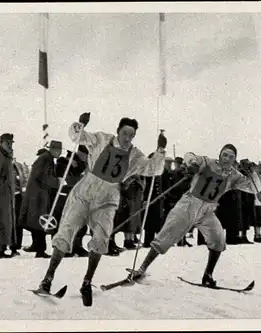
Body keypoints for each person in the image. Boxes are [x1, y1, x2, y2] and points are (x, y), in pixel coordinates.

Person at [36, 113, 167, 307]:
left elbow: (153, 169)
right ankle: (47, 278)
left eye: (131, 135)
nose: (127, 138)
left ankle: (87, 281)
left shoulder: (134, 154)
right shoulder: (101, 139)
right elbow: (77, 137)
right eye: (124, 133)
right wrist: (80, 123)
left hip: (108, 198)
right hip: (85, 192)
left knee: (101, 237)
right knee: (66, 231)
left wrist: (161, 150)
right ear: (118, 131)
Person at [128, 144, 255, 289]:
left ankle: (208, 275)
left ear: (234, 159)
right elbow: (189, 155)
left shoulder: (234, 175)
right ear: (220, 155)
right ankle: (142, 269)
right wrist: (193, 165)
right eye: (225, 155)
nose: (227, 159)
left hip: (207, 210)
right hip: (189, 204)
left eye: (231, 157)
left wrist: (251, 172)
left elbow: (254, 188)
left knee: (218, 240)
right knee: (166, 236)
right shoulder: (208, 162)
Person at [18, 141, 65, 258]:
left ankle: (37, 246)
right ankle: (39, 249)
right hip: (38, 196)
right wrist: (57, 181)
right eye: (59, 150)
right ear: (54, 150)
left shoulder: (46, 158)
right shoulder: (45, 159)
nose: (60, 153)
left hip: (37, 195)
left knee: (37, 221)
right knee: (40, 222)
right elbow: (43, 177)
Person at [52, 147, 90, 257]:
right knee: (65, 222)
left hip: (77, 195)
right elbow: (69, 179)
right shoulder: (65, 164)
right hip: (66, 196)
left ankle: (77, 246)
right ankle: (64, 248)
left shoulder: (80, 163)